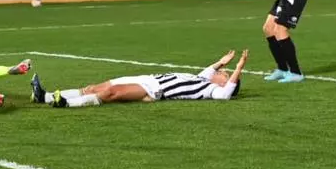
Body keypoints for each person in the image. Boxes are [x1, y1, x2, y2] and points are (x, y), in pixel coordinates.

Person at [30, 50, 248, 107]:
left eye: (226, 76)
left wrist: (239, 68)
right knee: (95, 87)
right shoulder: (203, 80)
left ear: (227, 83)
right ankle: (45, 97)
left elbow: (225, 95)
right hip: (148, 78)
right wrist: (222, 62)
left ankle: (66, 103)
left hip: (155, 90)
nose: (222, 73)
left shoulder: (210, 90)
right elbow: (209, 70)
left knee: (111, 93)